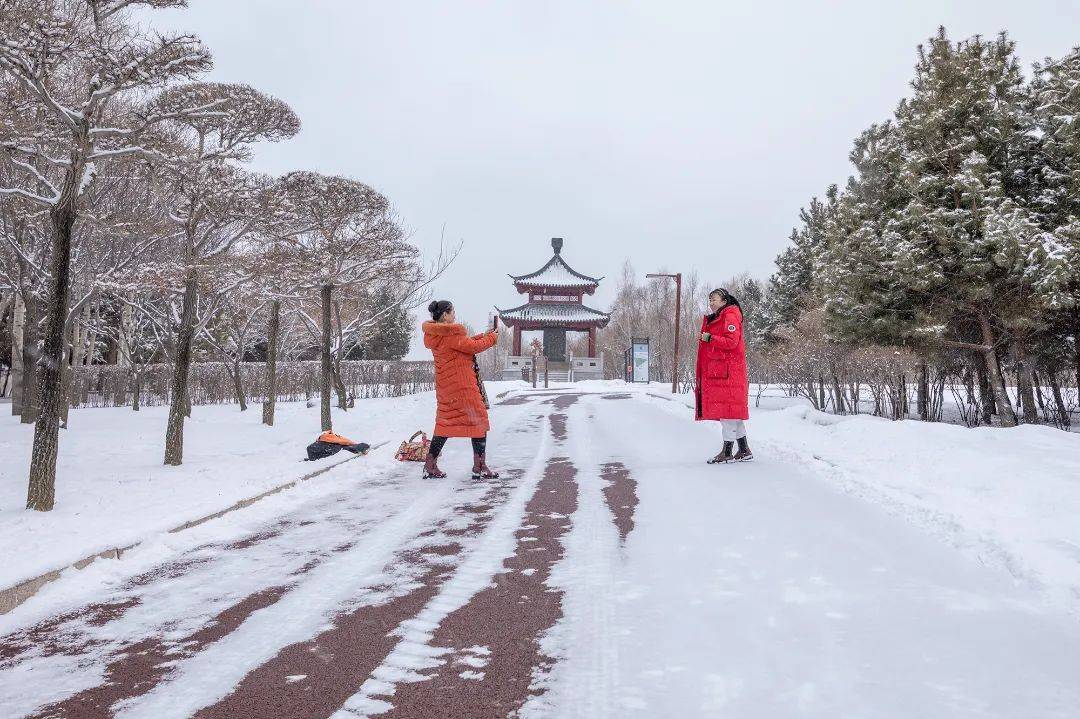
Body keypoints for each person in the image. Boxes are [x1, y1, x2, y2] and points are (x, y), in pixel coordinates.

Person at [421, 299, 500, 479]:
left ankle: (430, 465)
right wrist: (492, 338)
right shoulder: (452, 332)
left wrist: (482, 335)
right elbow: (472, 347)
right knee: (478, 420)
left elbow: (463, 344)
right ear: (445, 315)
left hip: (446, 388)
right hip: (462, 386)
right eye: (453, 312)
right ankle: (479, 466)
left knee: (445, 423)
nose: (455, 315)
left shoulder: (436, 334)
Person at [695, 288, 752, 463]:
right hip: (726, 372)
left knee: (727, 413)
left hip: (728, 373)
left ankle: (727, 452)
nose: (711, 303)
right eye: (710, 300)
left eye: (715, 299)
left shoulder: (730, 316)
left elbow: (731, 342)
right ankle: (744, 450)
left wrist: (710, 338)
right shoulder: (723, 316)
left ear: (724, 301)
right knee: (733, 415)